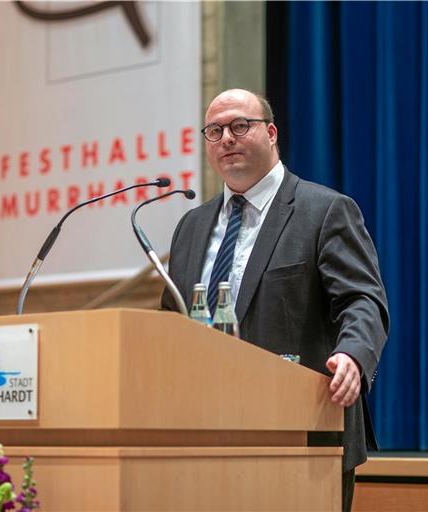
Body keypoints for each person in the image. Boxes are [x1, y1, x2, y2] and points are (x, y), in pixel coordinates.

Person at [161, 88, 389, 512]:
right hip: (202, 430)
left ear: (270, 133)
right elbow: (171, 320)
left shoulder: (324, 210)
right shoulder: (190, 227)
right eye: (214, 130)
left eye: (239, 126)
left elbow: (362, 299)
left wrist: (354, 356)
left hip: (302, 430)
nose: (226, 138)